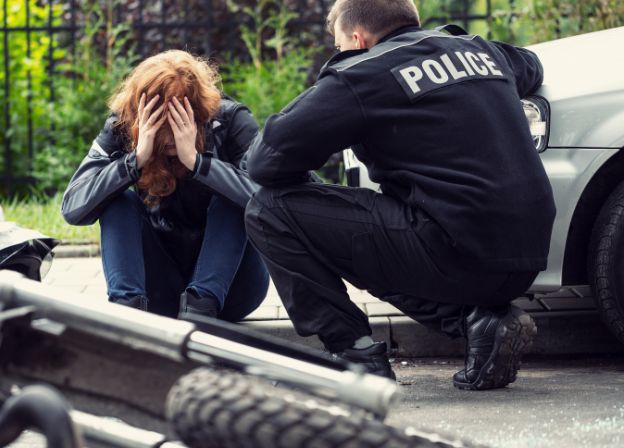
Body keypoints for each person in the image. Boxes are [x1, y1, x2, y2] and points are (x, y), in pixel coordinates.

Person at [243, 0, 555, 389]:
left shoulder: (363, 72)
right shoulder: (480, 51)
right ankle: (478, 323)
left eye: (339, 46)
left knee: (267, 210)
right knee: (384, 237)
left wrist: (336, 88)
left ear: (358, 39)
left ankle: (354, 354)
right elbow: (531, 65)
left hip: (453, 253)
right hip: (528, 257)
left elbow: (265, 161)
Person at [61, 50, 269, 321]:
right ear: (141, 116)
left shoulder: (230, 121)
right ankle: (127, 313)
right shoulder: (122, 126)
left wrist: (198, 164)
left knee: (232, 195)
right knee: (118, 199)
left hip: (233, 290)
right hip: (160, 289)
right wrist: (134, 161)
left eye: (178, 120)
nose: (170, 136)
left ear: (198, 112)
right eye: (160, 123)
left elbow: (267, 201)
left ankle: (201, 307)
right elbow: (73, 208)